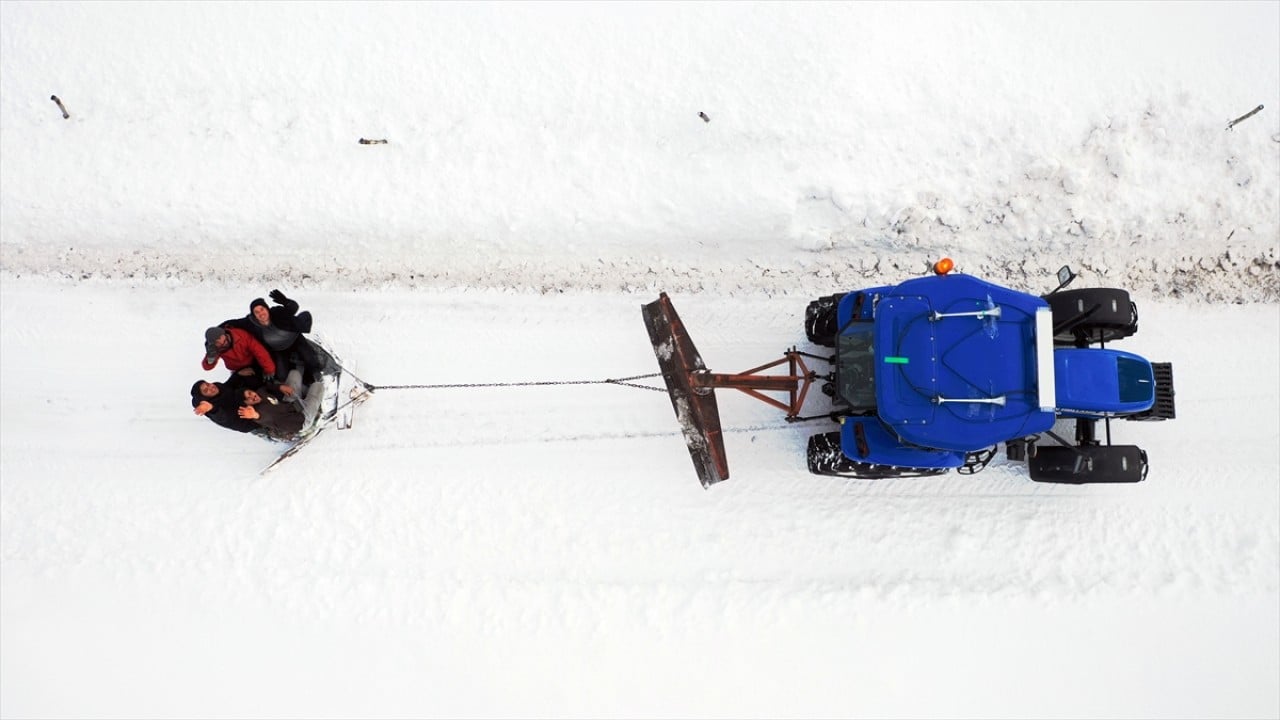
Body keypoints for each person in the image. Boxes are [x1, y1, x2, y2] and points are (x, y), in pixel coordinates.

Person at [223, 289, 324, 384]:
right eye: (256, 312)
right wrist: (218, 332)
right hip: (278, 350)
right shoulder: (251, 323)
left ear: (266, 309)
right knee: (281, 376)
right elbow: (232, 323)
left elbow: (293, 308)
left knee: (310, 359)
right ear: (254, 315)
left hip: (295, 340)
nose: (261, 314)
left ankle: (315, 373)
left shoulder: (277, 312)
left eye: (262, 309)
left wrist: (285, 301)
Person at [237, 373, 328, 440]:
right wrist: (254, 415)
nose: (252, 397)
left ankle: (309, 394)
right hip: (301, 420)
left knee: (294, 374)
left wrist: (280, 387)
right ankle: (320, 394)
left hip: (289, 404)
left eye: (250, 393)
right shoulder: (260, 412)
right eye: (248, 399)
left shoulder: (260, 392)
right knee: (318, 386)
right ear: (248, 404)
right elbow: (260, 417)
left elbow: (269, 387)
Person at [202, 325, 277, 383]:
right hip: (237, 369)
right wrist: (210, 358)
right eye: (216, 342)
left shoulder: (240, 335)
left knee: (270, 377)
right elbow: (207, 367)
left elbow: (259, 351)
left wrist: (269, 369)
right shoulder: (214, 349)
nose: (220, 342)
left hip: (253, 361)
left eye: (220, 338)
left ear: (224, 333)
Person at [190, 375, 259, 434]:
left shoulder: (219, 388)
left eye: (208, 384)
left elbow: (229, 386)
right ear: (204, 397)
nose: (211, 387)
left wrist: (238, 374)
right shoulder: (213, 409)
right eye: (206, 390)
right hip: (253, 423)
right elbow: (222, 416)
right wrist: (211, 408)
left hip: (251, 407)